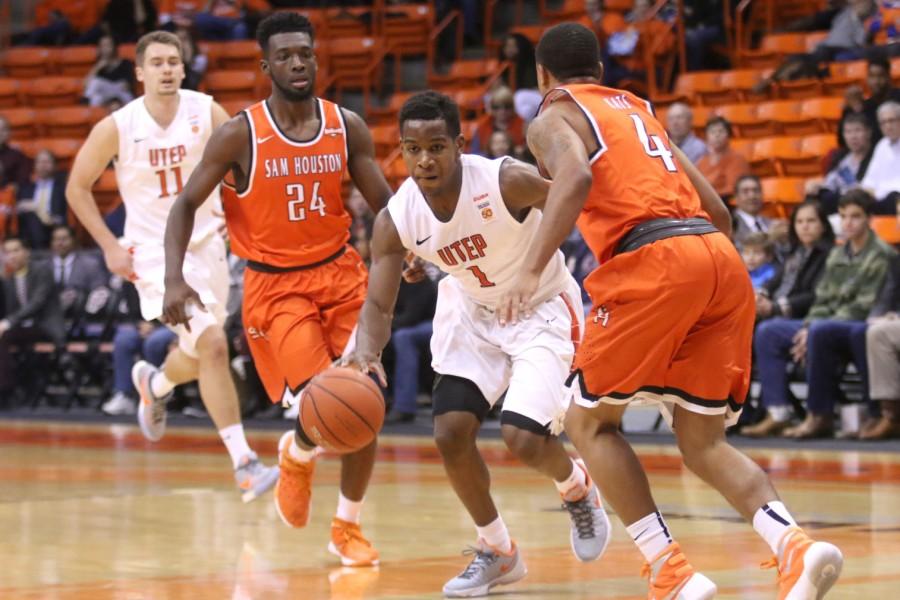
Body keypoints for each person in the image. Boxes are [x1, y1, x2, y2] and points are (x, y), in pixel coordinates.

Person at [500, 22, 844, 599]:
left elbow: (577, 176)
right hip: (716, 256)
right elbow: (719, 210)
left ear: (541, 76)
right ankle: (795, 546)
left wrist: (531, 268)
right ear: (601, 72)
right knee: (702, 442)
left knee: (587, 422)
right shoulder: (638, 110)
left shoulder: (553, 114)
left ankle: (671, 571)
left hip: (655, 259)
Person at [343, 91, 610, 597]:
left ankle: (577, 488)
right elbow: (379, 305)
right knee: (450, 434)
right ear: (401, 151)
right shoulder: (396, 219)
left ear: (460, 144)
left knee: (523, 438)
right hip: (472, 310)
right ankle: (498, 550)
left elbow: (569, 196)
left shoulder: (504, 179)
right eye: (413, 149)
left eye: (437, 147)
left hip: (542, 306)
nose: (425, 160)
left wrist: (531, 270)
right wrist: (366, 353)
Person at [161, 13, 396, 567]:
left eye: (306, 54)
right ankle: (300, 450)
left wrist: (407, 250)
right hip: (276, 287)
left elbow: (388, 207)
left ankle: (346, 526)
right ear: (266, 66)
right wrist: (175, 277)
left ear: (317, 60)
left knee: (366, 401)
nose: (298, 63)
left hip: (341, 274)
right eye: (286, 56)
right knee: (327, 399)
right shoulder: (240, 133)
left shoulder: (347, 125)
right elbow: (184, 205)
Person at [65, 30, 279, 502]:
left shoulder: (207, 111)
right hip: (154, 255)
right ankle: (244, 463)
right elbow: (76, 187)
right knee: (215, 345)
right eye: (156, 63)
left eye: (173, 62)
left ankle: (154, 382)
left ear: (184, 68)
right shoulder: (118, 126)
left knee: (202, 352)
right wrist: (109, 247)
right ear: (139, 72)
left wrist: (242, 218)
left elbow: (246, 170)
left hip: (208, 246)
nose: (166, 69)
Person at [751, 190, 894, 439]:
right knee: (768, 331)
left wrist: (815, 325)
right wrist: (807, 325)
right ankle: (780, 411)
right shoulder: (839, 253)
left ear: (869, 218)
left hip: (860, 322)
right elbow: (822, 299)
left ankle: (822, 413)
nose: (848, 223)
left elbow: (862, 306)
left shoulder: (881, 254)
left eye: (856, 217)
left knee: (823, 331)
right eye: (844, 216)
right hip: (829, 323)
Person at [0, 237, 66, 401]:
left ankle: (5, 390)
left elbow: (36, 303)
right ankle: (10, 387)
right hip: (22, 327)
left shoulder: (42, 270)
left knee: (4, 336)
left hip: (45, 325)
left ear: (27, 252)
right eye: (7, 252)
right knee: (4, 336)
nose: (12, 256)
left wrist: (7, 323)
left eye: (16, 250)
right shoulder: (8, 277)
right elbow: (7, 309)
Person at [754, 200, 835, 324]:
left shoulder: (830, 255)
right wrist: (760, 295)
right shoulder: (794, 252)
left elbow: (814, 295)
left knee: (766, 328)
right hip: (775, 310)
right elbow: (774, 281)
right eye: (799, 221)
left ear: (823, 225)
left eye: (811, 221)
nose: (805, 226)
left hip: (800, 316)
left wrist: (776, 307)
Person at [16, 150, 68, 249]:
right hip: (31, 230)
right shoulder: (25, 188)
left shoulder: (63, 188)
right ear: (34, 165)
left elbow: (65, 213)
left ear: (55, 165)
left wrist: (53, 218)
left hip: (55, 226)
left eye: (47, 162)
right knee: (31, 217)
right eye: (40, 162)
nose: (43, 165)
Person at [696, 116, 752, 201]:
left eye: (721, 131)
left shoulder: (737, 159)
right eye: (712, 132)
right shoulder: (703, 162)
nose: (716, 135)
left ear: (728, 135)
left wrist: (708, 196)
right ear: (707, 136)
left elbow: (733, 189)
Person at [83, 35, 136, 108]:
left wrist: (114, 90)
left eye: (108, 45)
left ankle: (85, 101)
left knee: (98, 83)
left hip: (123, 95)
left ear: (114, 47)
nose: (105, 49)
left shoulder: (125, 63)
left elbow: (127, 86)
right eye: (102, 46)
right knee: (96, 96)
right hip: (105, 97)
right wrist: (98, 67)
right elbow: (86, 85)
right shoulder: (99, 66)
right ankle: (87, 107)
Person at [730, 174, 772, 249]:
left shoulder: (771, 223)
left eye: (756, 191)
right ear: (736, 197)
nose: (752, 196)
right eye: (745, 192)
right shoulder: (731, 225)